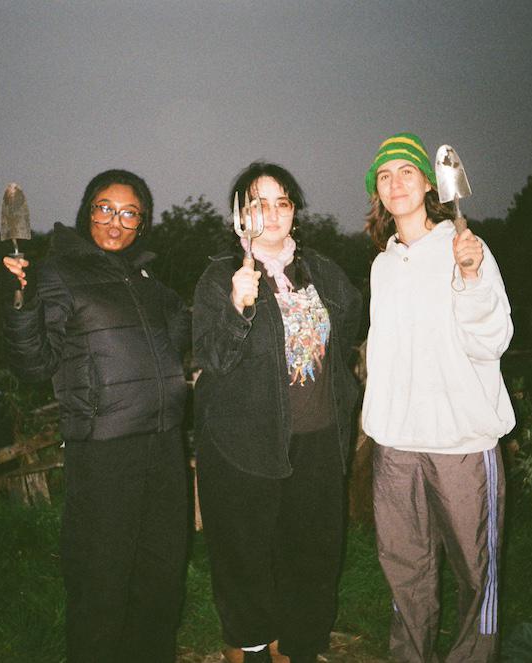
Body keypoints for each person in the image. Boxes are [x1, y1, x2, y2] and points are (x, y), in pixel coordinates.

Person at [2, 169, 190, 663]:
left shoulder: (147, 277)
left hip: (166, 446)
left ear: (142, 223)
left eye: (131, 213)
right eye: (106, 208)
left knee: (160, 580)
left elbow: (177, 344)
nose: (117, 222)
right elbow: (35, 365)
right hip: (105, 451)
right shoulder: (58, 273)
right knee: (101, 583)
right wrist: (20, 303)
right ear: (88, 211)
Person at [192, 162, 362, 663]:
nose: (271, 213)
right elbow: (212, 357)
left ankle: (303, 646)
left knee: (312, 551)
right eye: (257, 204)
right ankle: (251, 647)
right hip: (244, 442)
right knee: (246, 555)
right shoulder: (218, 277)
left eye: (282, 202)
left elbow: (346, 336)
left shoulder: (325, 273)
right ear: (238, 217)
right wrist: (237, 307)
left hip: (317, 440)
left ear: (294, 213)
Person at [361, 133, 515, 663]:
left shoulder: (464, 246)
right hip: (397, 447)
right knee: (406, 573)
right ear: (377, 193)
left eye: (407, 171)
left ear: (430, 183)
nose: (395, 183)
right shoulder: (383, 266)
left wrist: (469, 278)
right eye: (384, 176)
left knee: (477, 576)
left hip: (461, 443)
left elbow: (492, 340)